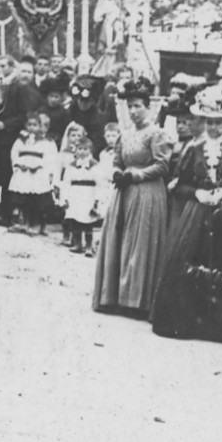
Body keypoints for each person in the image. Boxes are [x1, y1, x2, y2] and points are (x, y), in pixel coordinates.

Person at [150, 88, 222, 342]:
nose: (213, 127)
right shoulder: (194, 148)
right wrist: (197, 193)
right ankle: (185, 322)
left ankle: (217, 326)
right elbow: (178, 184)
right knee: (188, 260)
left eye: (218, 122)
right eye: (210, 122)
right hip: (197, 214)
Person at [92, 78, 172, 319]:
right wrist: (117, 173)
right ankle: (114, 296)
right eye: (130, 107)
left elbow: (162, 165)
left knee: (139, 242)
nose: (134, 111)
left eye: (138, 106)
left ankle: (136, 300)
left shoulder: (157, 133)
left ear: (148, 107)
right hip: (124, 191)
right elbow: (116, 161)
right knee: (119, 239)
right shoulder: (124, 134)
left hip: (147, 191)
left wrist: (137, 175)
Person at [0, 57, 42, 225]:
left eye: (3, 66)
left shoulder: (18, 88)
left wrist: (5, 124)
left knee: (6, 176)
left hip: (9, 138)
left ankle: (6, 214)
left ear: (12, 68)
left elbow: (23, 116)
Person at [56, 123, 103, 255]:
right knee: (75, 220)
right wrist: (64, 198)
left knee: (87, 221)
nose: (82, 151)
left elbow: (100, 183)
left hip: (88, 194)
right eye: (80, 149)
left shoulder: (95, 165)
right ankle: (77, 244)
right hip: (75, 194)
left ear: (91, 150)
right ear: (75, 150)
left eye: (85, 149)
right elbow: (66, 182)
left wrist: (97, 199)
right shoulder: (71, 165)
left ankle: (88, 246)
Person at [8, 112, 57, 235]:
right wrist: (18, 164)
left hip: (37, 174)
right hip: (23, 173)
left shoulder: (46, 142)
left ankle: (36, 223)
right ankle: (23, 222)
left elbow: (50, 157)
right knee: (22, 199)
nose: (32, 128)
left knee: (37, 200)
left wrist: (40, 166)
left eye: (35, 125)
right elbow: (14, 153)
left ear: (40, 126)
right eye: (29, 125)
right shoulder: (20, 140)